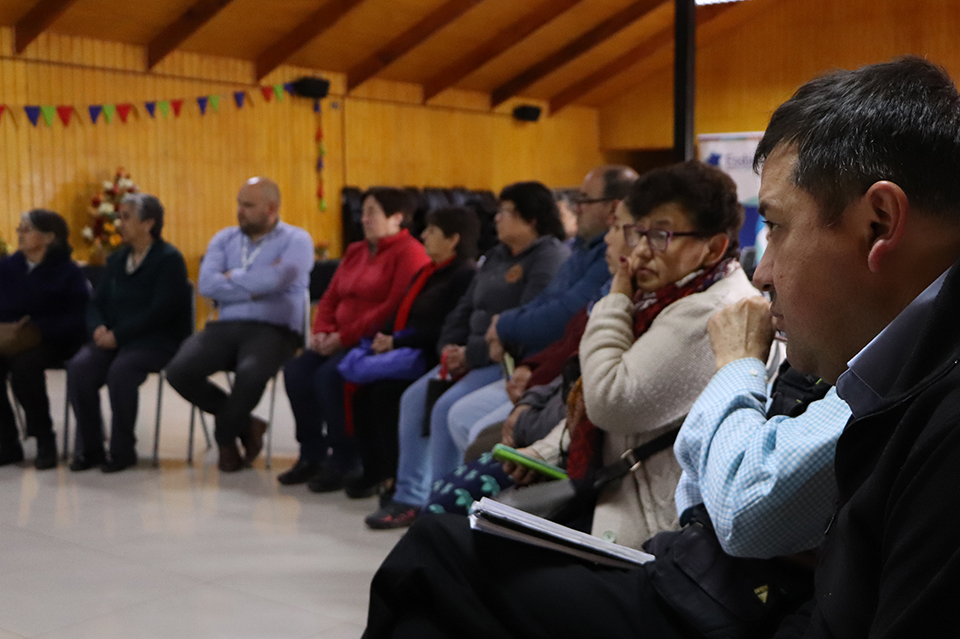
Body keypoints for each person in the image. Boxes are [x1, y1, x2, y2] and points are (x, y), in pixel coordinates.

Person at [366, 55, 960, 639]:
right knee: (437, 572)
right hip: (688, 556)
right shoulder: (881, 356)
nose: (763, 272)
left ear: (879, 223)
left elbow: (639, 422)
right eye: (635, 233)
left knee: (436, 558)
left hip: (678, 563)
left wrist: (732, 363)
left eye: (776, 227)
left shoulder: (728, 314)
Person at [428, 162, 758, 552]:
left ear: (714, 248)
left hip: (645, 526)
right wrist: (543, 450)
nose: (640, 251)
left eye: (660, 235)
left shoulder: (708, 312)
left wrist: (616, 296)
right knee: (443, 522)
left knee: (453, 539)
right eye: (638, 233)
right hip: (605, 483)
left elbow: (609, 401)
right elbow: (583, 382)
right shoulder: (666, 294)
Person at [365, 181, 569, 529]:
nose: (497, 219)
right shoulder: (497, 256)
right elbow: (463, 308)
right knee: (413, 399)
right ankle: (410, 495)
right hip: (469, 356)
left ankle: (443, 506)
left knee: (447, 409)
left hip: (503, 361)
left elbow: (526, 319)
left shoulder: (548, 258)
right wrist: (448, 346)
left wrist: (470, 354)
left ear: (531, 218)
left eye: (506, 212)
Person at [444, 165, 636, 454]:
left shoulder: (590, 260)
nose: (576, 208)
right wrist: (523, 358)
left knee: (473, 430)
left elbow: (564, 320)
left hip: (560, 383)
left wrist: (503, 331)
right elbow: (549, 307)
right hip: (536, 369)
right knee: (457, 414)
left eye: (584, 200)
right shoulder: (581, 249)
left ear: (613, 208)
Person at [277, 187, 430, 490]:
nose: (364, 219)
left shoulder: (410, 252)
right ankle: (312, 453)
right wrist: (321, 331)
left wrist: (344, 337)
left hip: (373, 342)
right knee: (296, 372)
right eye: (363, 212)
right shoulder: (356, 251)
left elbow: (392, 307)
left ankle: (346, 457)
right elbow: (331, 296)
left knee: (329, 377)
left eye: (373, 212)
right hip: (337, 338)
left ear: (397, 218)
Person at [166, 177, 313, 472]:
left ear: (271, 209)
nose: (240, 211)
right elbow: (207, 285)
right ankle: (247, 426)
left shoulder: (297, 240)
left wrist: (232, 278)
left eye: (248, 205)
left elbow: (279, 278)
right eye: (239, 204)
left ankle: (225, 437)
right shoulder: (224, 239)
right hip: (225, 326)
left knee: (251, 373)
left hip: (275, 329)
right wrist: (256, 285)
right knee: (179, 370)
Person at [346, 206, 480, 498]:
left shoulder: (464, 275)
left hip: (431, 356)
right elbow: (400, 311)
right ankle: (376, 471)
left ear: (453, 239)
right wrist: (386, 336)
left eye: (432, 231)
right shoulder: (428, 271)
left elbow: (444, 327)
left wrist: (397, 342)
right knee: (362, 395)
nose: (423, 236)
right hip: (408, 351)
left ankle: (400, 479)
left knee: (386, 395)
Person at [67, 194, 191, 473]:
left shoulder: (169, 259)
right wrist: (97, 327)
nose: (119, 223)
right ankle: (90, 449)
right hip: (114, 337)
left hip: (155, 340)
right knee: (80, 368)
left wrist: (119, 335)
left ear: (148, 223)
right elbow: (96, 303)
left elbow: (161, 311)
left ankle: (122, 450)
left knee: (121, 372)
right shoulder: (117, 259)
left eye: (126, 217)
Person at [0, 210, 88, 469]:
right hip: (9, 337)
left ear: (49, 237)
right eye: (20, 229)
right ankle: (7, 442)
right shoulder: (7, 267)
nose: (20, 234)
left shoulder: (68, 272)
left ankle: (44, 438)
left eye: (27, 229)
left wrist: (38, 329)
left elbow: (78, 316)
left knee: (25, 369)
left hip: (52, 339)